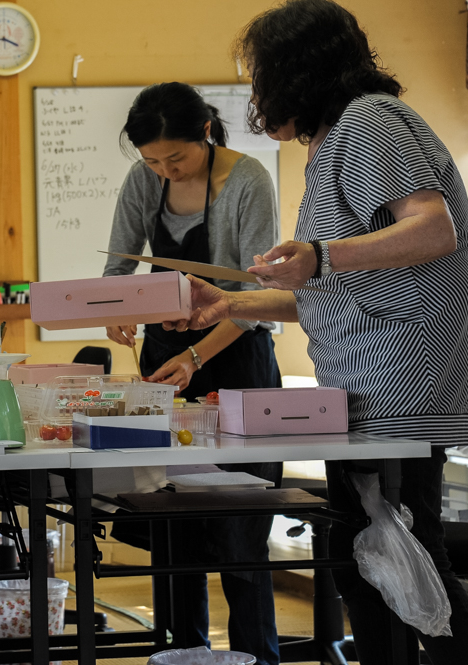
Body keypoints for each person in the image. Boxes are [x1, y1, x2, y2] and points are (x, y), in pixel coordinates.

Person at [168, 1, 468, 662]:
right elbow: (330, 296)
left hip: (397, 391)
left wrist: (322, 255)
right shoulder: (336, 140)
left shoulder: (370, 120)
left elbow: (434, 228)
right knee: (364, 564)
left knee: (404, 568)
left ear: (297, 71)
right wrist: (230, 305)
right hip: (363, 391)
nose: (255, 97)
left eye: (260, 77)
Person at [102, 82, 282, 665]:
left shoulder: (248, 180)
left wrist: (197, 356)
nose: (164, 171)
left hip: (236, 359)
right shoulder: (143, 180)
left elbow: (257, 298)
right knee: (172, 522)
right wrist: (117, 308)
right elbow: (118, 266)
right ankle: (181, 654)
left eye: (175, 158)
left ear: (206, 131)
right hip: (165, 360)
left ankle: (257, 657)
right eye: (153, 161)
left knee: (240, 529)